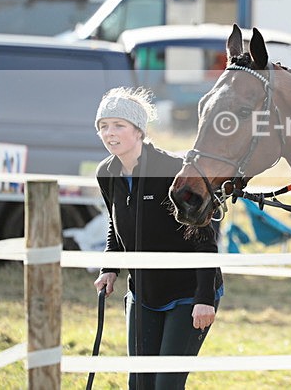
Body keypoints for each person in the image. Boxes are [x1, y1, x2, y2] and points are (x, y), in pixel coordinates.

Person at [93, 87, 223, 389]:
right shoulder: (106, 173)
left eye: (118, 125)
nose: (109, 133)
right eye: (103, 126)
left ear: (138, 130)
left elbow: (205, 238)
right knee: (139, 384)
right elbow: (117, 225)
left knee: (166, 385)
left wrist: (205, 299)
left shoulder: (175, 171)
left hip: (189, 292)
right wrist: (109, 267)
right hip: (143, 293)